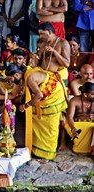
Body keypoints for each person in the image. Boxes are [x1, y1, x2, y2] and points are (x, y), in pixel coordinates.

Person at [21, 22, 70, 160]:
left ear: (49, 32)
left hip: (54, 82)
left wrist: (54, 52)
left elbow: (66, 63)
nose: (40, 36)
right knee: (38, 117)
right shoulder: (44, 43)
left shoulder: (63, 43)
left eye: (42, 33)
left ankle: (49, 152)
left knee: (52, 120)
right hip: (44, 78)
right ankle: (37, 149)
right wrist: (36, 58)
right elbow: (41, 63)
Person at [66, 82, 94, 154]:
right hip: (77, 124)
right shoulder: (74, 101)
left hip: (92, 124)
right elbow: (70, 117)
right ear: (85, 94)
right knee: (67, 126)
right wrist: (73, 128)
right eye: (92, 94)